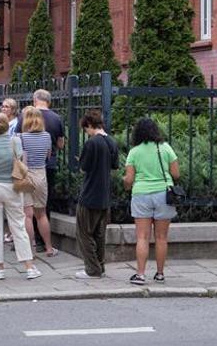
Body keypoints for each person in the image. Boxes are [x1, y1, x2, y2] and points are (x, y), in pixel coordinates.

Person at [0, 112, 42, 280]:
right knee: (18, 225)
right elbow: (20, 160)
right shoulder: (15, 141)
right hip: (12, 186)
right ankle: (29, 267)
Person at [124, 118, 179, 285]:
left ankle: (140, 274)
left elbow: (129, 179)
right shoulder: (165, 148)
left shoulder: (134, 152)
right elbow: (176, 174)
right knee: (161, 237)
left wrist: (125, 181)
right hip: (163, 194)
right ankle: (160, 274)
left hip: (141, 194)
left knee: (142, 237)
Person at [14, 90, 64, 252]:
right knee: (42, 213)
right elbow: (49, 154)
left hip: (24, 176)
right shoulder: (47, 136)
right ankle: (49, 247)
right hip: (41, 173)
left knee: (27, 214)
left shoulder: (21, 137)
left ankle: (30, 247)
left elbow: (17, 156)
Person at [74, 110, 119, 279]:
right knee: (99, 234)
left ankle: (92, 269)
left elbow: (84, 167)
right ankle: (100, 265)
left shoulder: (92, 143)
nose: (86, 132)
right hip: (105, 195)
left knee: (84, 233)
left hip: (90, 194)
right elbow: (115, 166)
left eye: (86, 129)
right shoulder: (111, 142)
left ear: (90, 125)